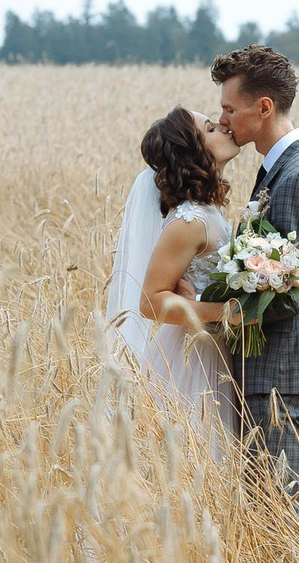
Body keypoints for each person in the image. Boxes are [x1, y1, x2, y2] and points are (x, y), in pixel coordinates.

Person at [211, 43, 299, 513]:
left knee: (279, 514)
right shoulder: (283, 169)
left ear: (263, 107)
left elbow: (292, 292)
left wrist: (219, 312)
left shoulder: (297, 178)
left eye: (230, 107)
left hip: (281, 371)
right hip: (277, 369)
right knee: (269, 505)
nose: (223, 118)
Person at [104, 107, 245, 472]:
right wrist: (223, 312)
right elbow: (151, 301)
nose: (224, 127)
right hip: (190, 359)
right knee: (192, 468)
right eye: (211, 128)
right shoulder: (189, 221)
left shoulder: (207, 212)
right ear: (194, 150)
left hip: (212, 351)